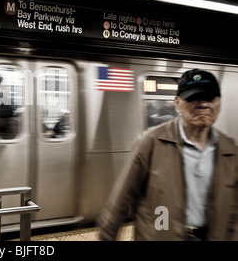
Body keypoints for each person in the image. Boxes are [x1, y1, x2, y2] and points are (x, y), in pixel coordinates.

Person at [97, 69, 238, 241]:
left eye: (210, 98)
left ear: (219, 103)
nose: (203, 104)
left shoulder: (230, 150)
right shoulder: (152, 142)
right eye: (193, 98)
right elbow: (120, 201)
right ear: (177, 103)